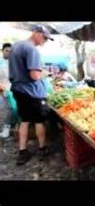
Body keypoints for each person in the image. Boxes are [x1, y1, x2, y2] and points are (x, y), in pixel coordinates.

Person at [9, 25, 54, 165]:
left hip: (18, 89)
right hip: (32, 93)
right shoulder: (32, 49)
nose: (45, 41)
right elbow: (34, 75)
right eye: (44, 37)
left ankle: (23, 152)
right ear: (36, 33)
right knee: (39, 121)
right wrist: (45, 73)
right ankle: (42, 149)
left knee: (25, 120)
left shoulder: (16, 46)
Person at [0, 43, 16, 139]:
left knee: (13, 109)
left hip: (14, 90)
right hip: (3, 90)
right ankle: (5, 131)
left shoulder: (13, 63)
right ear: (2, 51)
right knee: (6, 110)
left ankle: (12, 129)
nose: (9, 53)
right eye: (7, 51)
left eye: (11, 51)